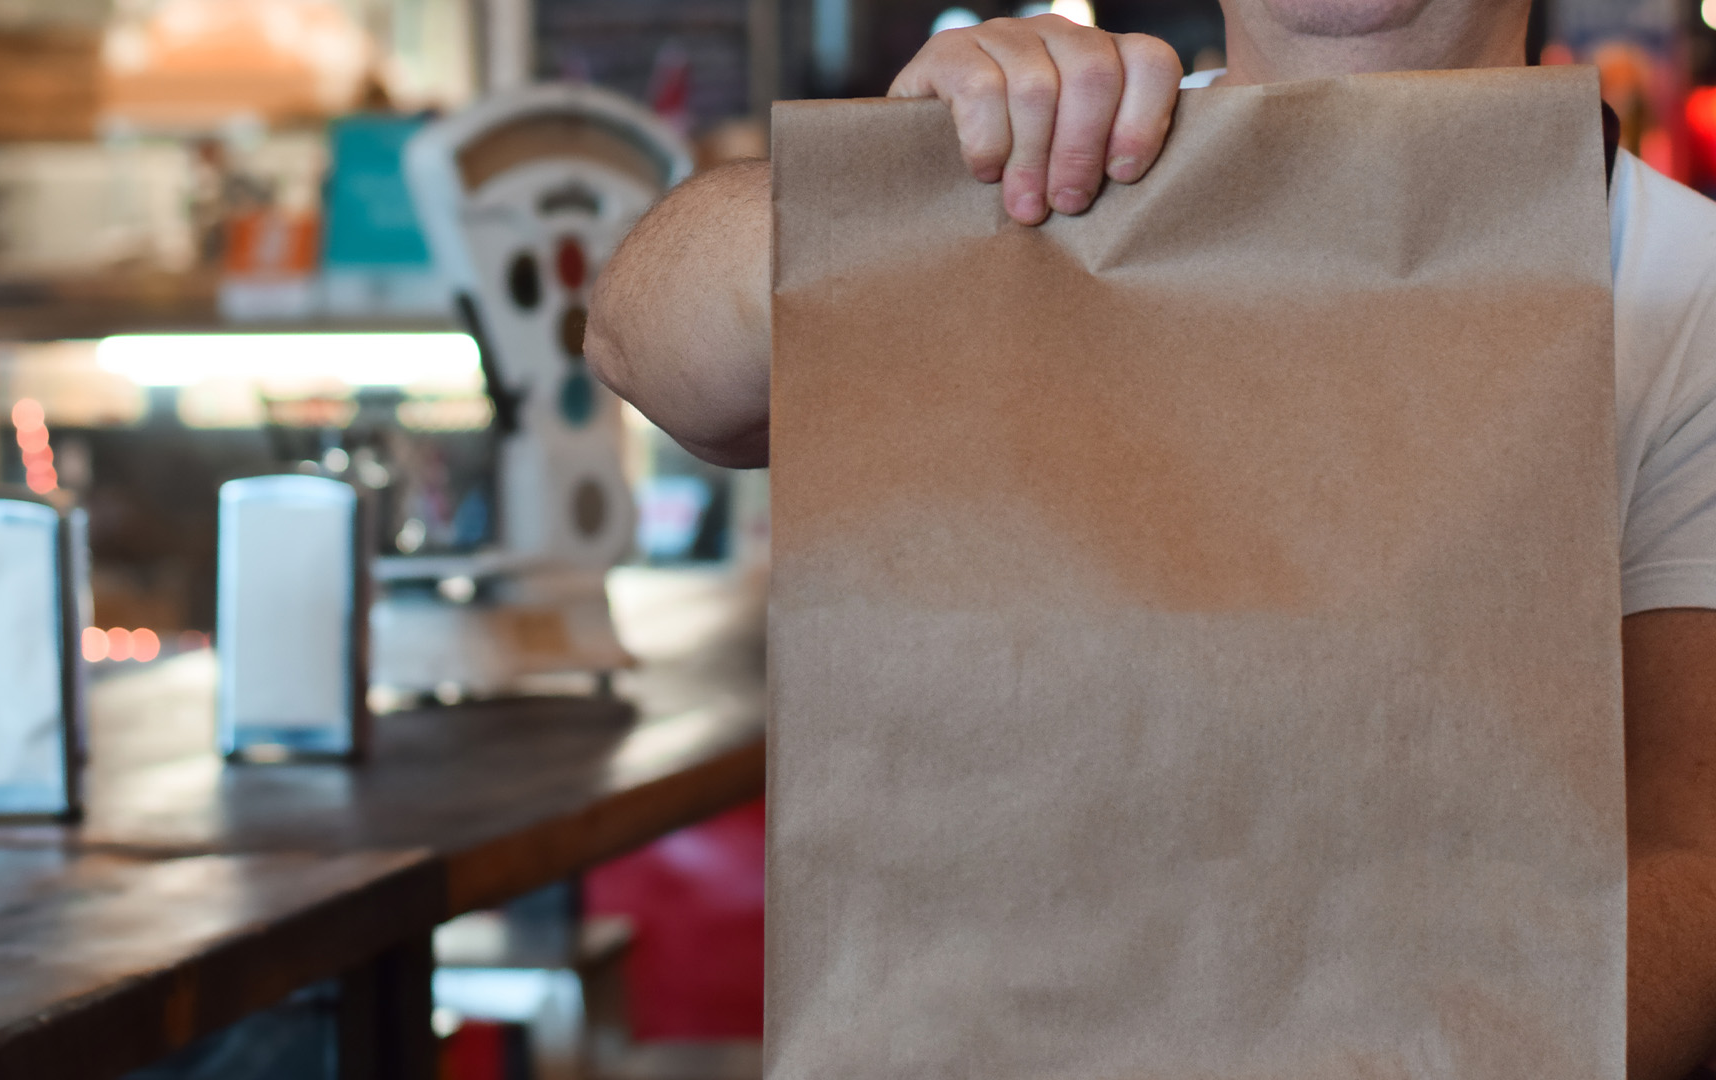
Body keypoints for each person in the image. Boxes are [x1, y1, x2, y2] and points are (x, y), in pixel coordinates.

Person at [584, 1, 1716, 1077]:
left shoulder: (1692, 290)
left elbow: (1693, 869)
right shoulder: (1071, 158)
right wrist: (898, 186)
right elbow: (642, 344)